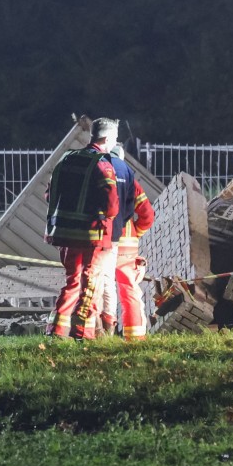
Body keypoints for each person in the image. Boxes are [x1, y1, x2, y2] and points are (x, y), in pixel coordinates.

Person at [44, 118, 121, 339]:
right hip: (90, 235)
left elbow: (49, 194)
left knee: (72, 282)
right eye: (114, 139)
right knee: (90, 285)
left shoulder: (66, 158)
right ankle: (83, 334)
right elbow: (112, 205)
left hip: (63, 233)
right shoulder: (102, 163)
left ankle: (55, 330)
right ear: (107, 139)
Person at [101, 143, 156, 340]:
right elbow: (148, 215)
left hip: (102, 243)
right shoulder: (130, 181)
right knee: (129, 291)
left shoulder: (97, 176)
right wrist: (135, 232)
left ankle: (99, 336)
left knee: (98, 289)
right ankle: (135, 337)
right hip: (126, 247)